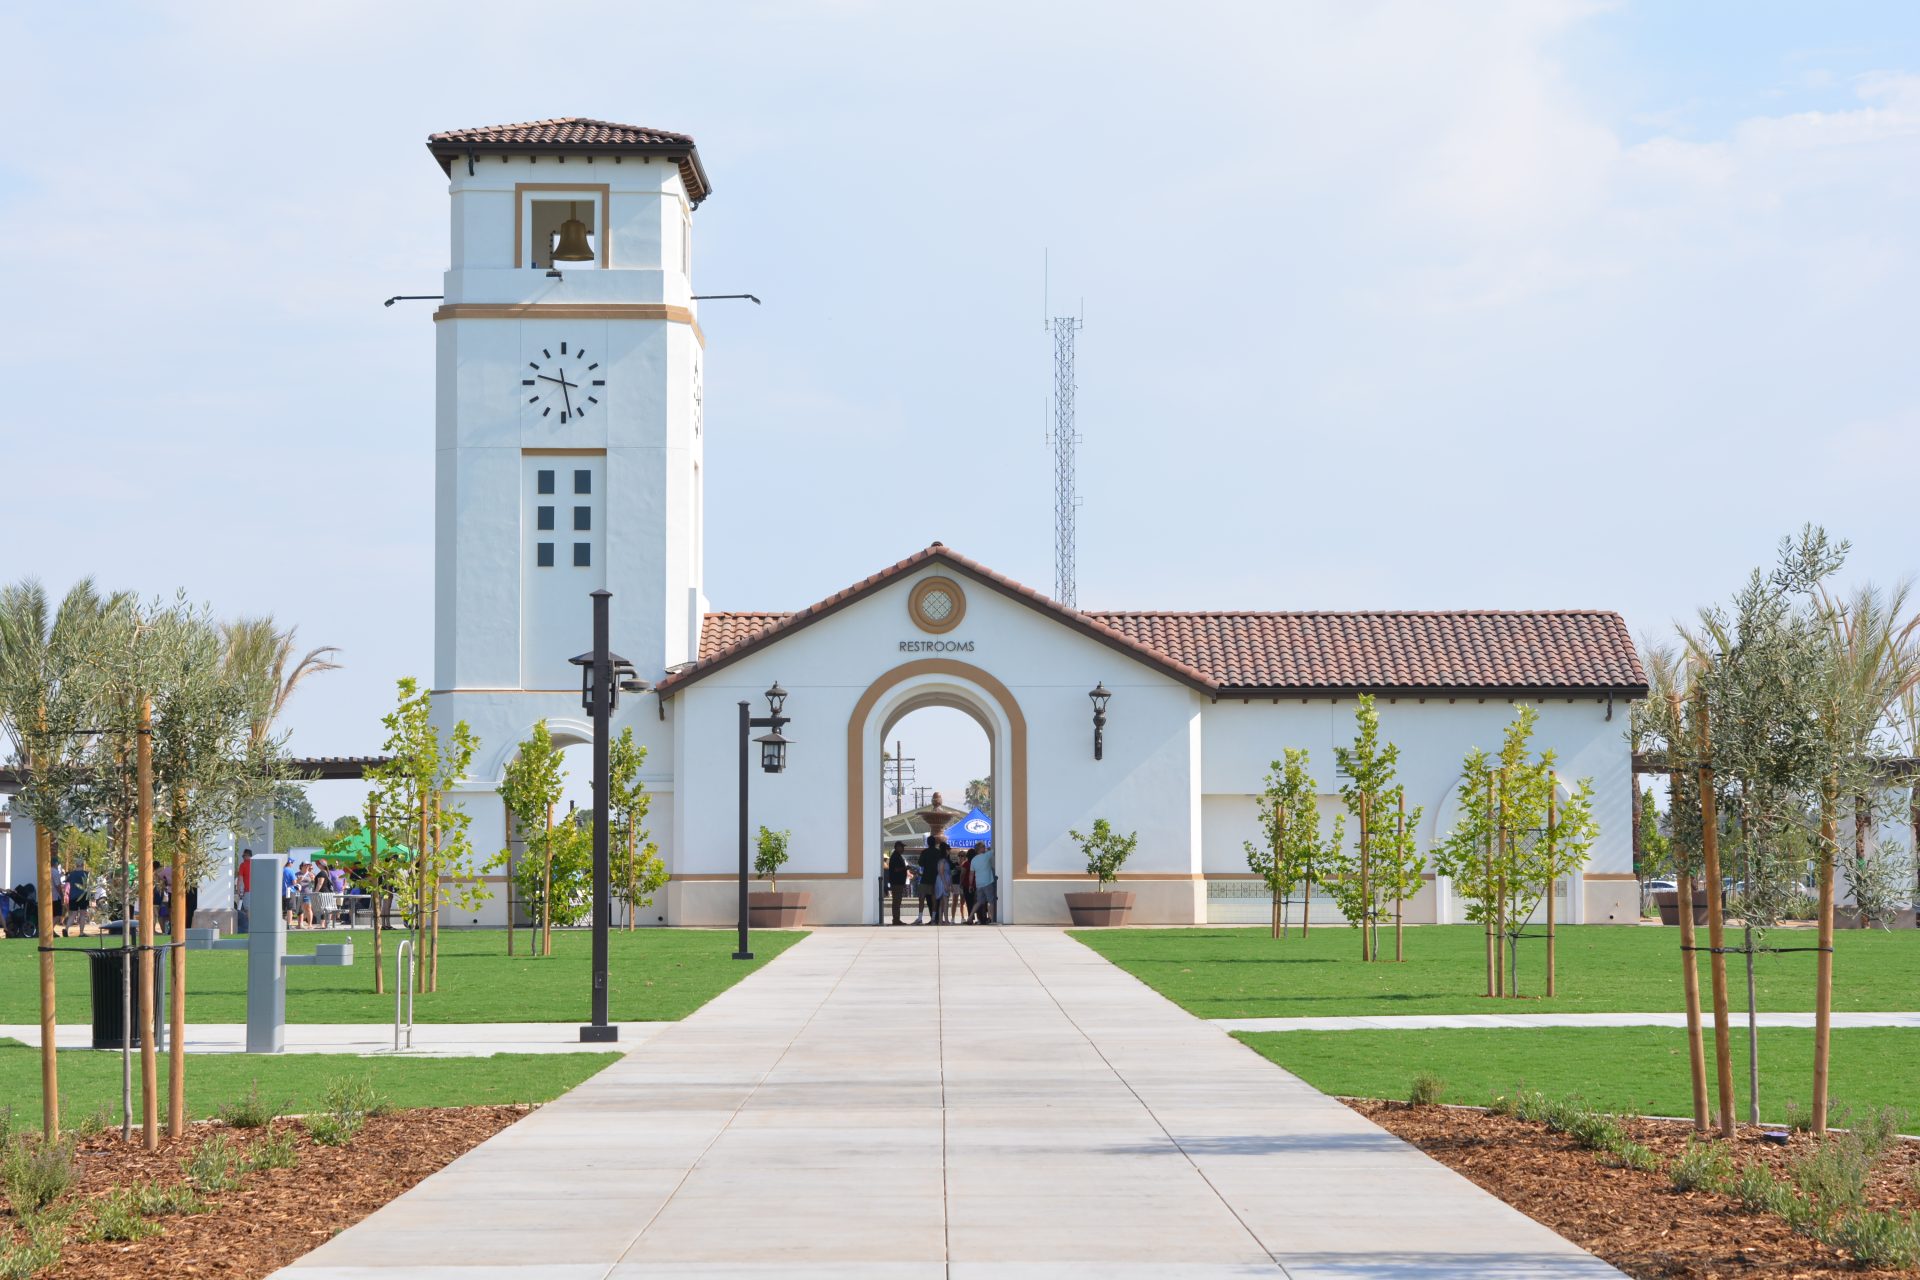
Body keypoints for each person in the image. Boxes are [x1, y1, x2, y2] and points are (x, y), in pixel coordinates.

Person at [916, 840, 944, 925]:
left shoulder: (924, 852)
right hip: (935, 879)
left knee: (921, 899)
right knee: (934, 900)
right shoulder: (938, 852)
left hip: (925, 878)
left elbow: (920, 863)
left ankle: (920, 918)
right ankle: (933, 919)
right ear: (935, 843)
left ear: (928, 843)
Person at [971, 843, 995, 924]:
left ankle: (970, 917)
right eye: (983, 846)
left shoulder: (973, 860)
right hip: (987, 882)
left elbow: (971, 874)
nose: (984, 848)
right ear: (979, 849)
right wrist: (988, 848)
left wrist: (971, 884)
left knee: (979, 901)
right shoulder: (986, 856)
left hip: (979, 884)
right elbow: (993, 850)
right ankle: (991, 918)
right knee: (990, 901)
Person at [886, 843, 909, 926]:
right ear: (897, 847)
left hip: (898, 882)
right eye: (902, 847)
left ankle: (897, 919)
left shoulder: (898, 856)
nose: (903, 849)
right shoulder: (895, 857)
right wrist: (905, 868)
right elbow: (896, 869)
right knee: (896, 902)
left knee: (897, 902)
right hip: (896, 883)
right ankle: (896, 920)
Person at [237, 849, 253, 933]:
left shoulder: (243, 865)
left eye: (243, 856)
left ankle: (250, 927)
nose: (243, 858)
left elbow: (240, 879)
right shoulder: (256, 864)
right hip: (257, 891)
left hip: (248, 891)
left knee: (248, 910)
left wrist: (239, 890)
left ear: (247, 855)